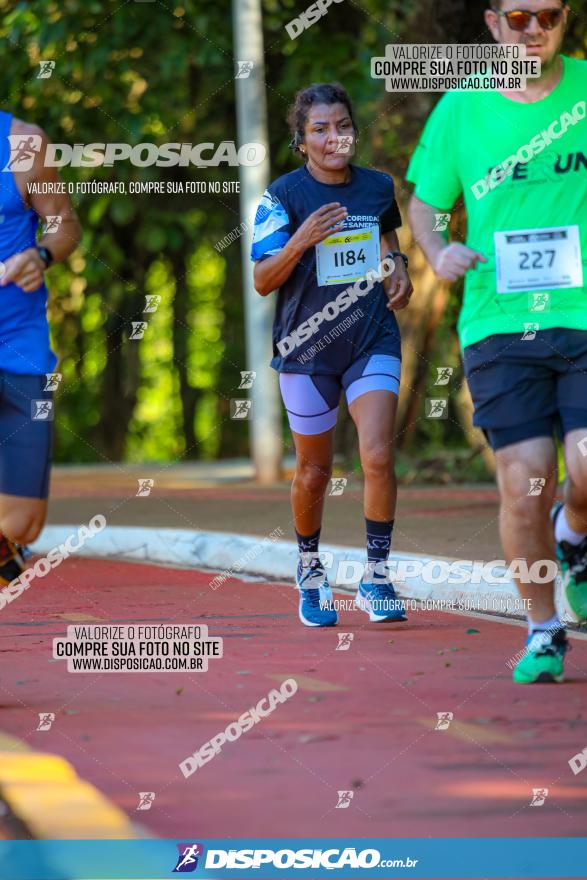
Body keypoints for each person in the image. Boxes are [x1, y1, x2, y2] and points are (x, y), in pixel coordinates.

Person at [407, 0, 587, 681]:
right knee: (523, 484)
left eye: (548, 14)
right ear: (491, 23)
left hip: (583, 312)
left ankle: (574, 536)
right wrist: (436, 250)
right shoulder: (460, 107)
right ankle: (543, 630)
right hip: (498, 322)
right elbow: (425, 203)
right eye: (518, 16)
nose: (533, 28)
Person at [251, 82, 413, 627]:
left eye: (342, 126)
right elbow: (261, 280)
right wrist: (300, 240)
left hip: (370, 338)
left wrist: (400, 271)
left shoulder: (375, 188)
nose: (333, 137)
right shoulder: (281, 196)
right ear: (301, 140)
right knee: (315, 469)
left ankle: (377, 575)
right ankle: (310, 569)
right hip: (306, 350)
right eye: (319, 129)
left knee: (377, 456)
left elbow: (389, 247)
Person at [0, 111, 81, 584]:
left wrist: (43, 254)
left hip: (19, 349)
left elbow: (64, 223)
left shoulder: (23, 143)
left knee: (21, 526)